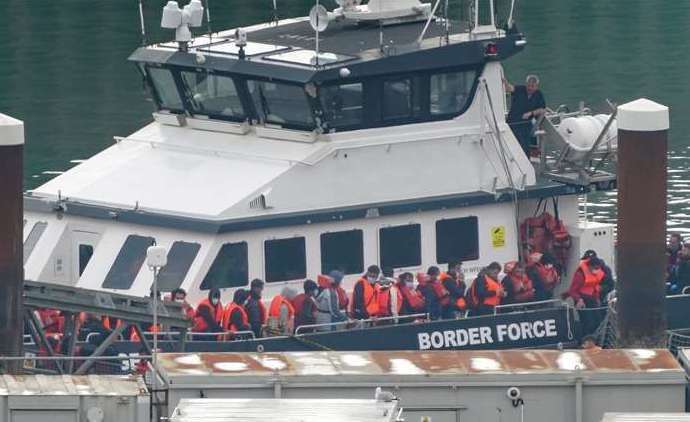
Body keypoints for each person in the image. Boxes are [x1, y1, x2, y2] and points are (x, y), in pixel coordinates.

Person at [504, 74, 546, 154]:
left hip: (525, 125)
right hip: (513, 122)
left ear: (537, 86)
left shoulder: (538, 94)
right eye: (529, 85)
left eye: (533, 86)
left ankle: (526, 160)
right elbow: (509, 88)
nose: (530, 88)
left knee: (525, 146)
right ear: (526, 84)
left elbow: (542, 109)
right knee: (512, 144)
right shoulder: (520, 89)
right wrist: (504, 81)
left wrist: (531, 113)